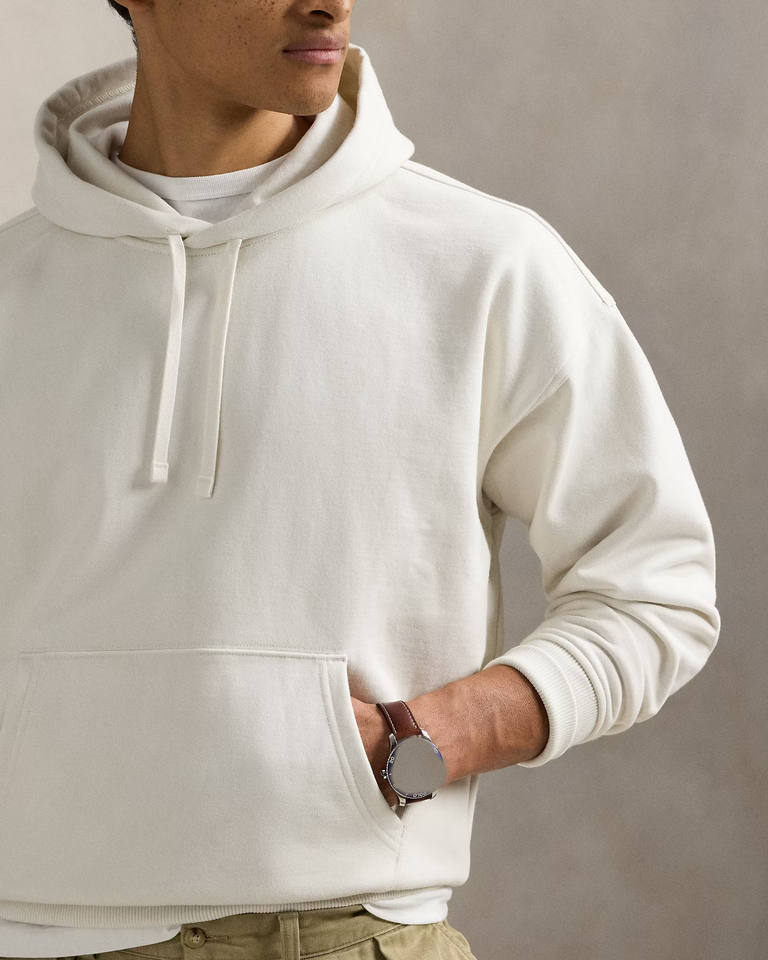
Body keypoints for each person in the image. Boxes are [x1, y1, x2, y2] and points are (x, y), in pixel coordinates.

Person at [0, 0, 721, 958]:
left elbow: (656, 593)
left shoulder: (483, 263)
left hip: (353, 939)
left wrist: (422, 740)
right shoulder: (15, 288)